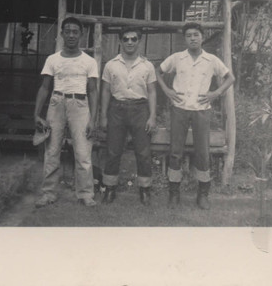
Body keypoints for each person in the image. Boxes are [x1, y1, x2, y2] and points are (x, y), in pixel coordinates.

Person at [156, 22, 235, 210]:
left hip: (202, 109)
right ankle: (174, 193)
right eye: (189, 35)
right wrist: (167, 90)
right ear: (185, 39)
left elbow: (230, 78)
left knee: (203, 152)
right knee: (175, 151)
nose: (192, 38)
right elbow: (157, 72)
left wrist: (215, 93)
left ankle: (203, 194)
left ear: (202, 37)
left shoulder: (211, 60)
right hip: (179, 109)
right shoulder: (177, 58)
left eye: (196, 35)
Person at [34, 17, 98, 208]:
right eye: (67, 31)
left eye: (75, 31)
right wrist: (36, 114)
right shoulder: (52, 59)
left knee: (83, 151)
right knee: (52, 151)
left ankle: (85, 194)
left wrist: (92, 119)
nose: (71, 35)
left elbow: (93, 91)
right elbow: (45, 87)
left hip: (80, 104)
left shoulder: (89, 61)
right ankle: (48, 193)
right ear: (61, 34)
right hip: (57, 102)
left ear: (81, 34)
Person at [99, 27, 157, 206]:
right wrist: (103, 115)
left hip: (140, 109)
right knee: (113, 151)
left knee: (143, 152)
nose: (130, 42)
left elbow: (152, 91)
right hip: (117, 109)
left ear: (139, 41)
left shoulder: (147, 65)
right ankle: (109, 189)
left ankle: (145, 190)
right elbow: (106, 91)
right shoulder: (111, 65)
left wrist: (152, 116)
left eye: (133, 39)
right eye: (126, 39)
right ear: (120, 41)